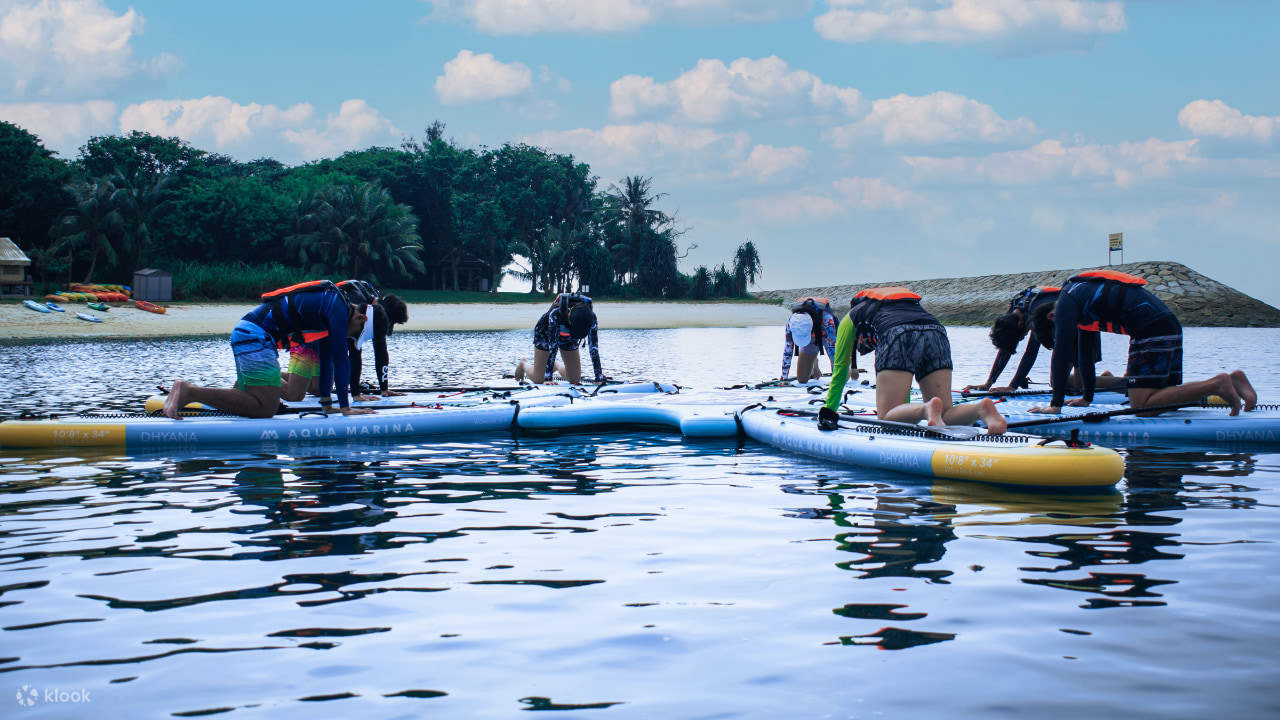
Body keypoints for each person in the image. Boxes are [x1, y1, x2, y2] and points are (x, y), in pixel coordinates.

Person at [1027, 269, 1257, 416]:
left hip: (1150, 330)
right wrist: (1087, 399)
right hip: (1167, 325)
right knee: (1160, 401)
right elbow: (1085, 358)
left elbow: (1063, 354)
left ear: (1051, 317)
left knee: (1141, 407)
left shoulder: (1067, 302)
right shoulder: (1079, 302)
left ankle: (1216, 384)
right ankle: (1234, 382)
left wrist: (1055, 405)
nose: (1061, 335)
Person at [163, 280, 374, 419]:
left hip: (250, 334)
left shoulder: (334, 309)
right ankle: (188, 392)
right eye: (355, 333)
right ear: (360, 318)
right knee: (266, 408)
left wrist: (327, 405)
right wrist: (346, 408)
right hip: (256, 336)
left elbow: (328, 360)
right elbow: (341, 359)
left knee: (259, 400)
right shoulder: (338, 309)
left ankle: (229, 395)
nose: (350, 337)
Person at [818, 286, 1007, 434]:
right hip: (936, 331)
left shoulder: (850, 318)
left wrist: (829, 410)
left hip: (897, 333)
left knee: (887, 419)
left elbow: (840, 369)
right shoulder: (905, 306)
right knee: (946, 413)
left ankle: (926, 410)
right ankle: (981, 409)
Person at [337, 280, 409, 397]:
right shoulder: (358, 309)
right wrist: (356, 395)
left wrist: (384, 390)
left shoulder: (377, 308)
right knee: (317, 389)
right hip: (315, 336)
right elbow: (354, 355)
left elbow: (381, 353)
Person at [514, 292, 602, 384]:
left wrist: (599, 378)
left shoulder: (592, 318)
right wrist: (548, 379)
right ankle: (523, 364)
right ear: (569, 316)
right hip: (545, 333)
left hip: (569, 335)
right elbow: (553, 346)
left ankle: (555, 365)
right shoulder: (556, 314)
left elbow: (594, 349)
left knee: (574, 379)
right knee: (538, 379)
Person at [781, 296, 837, 381]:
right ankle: (814, 362)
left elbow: (834, 354)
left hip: (827, 336)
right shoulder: (791, 322)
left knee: (843, 377)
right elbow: (788, 351)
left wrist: (836, 379)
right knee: (802, 380)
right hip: (813, 338)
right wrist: (784, 378)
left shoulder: (826, 320)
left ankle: (848, 363)